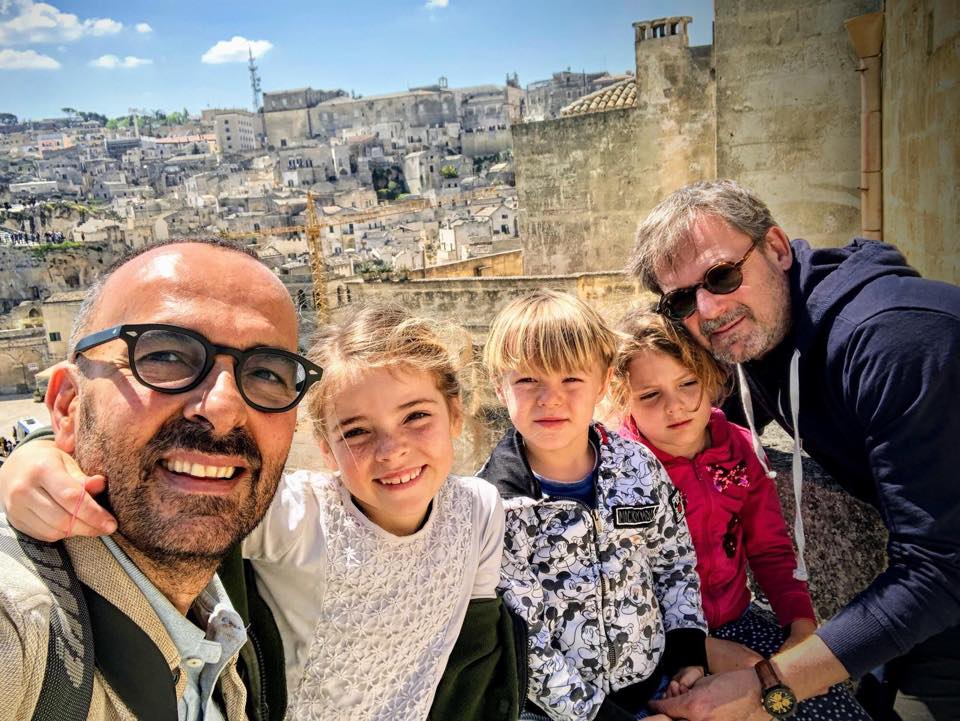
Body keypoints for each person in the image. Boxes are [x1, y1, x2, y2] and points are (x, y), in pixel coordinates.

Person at [1, 303, 518, 721]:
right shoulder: (297, 516)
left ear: (456, 415)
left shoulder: (480, 510)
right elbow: (165, 492)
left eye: (416, 416)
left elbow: (469, 652)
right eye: (357, 431)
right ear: (326, 447)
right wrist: (39, 450)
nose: (392, 450)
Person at [628, 179, 960, 721]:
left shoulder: (895, 342)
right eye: (684, 299)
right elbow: (698, 417)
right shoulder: (760, 333)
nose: (709, 308)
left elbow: (942, 564)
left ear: (777, 248)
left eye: (722, 275)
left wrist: (768, 686)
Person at [0, 238, 319, 721]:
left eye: (268, 374)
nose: (223, 409)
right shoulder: (21, 625)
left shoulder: (229, 634)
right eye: (166, 355)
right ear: (68, 406)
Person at [613, 307, 872, 721]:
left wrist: (801, 627)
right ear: (621, 397)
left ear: (712, 378)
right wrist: (702, 649)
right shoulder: (616, 471)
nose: (674, 406)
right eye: (649, 395)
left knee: (827, 705)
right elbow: (613, 590)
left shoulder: (740, 449)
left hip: (738, 620)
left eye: (687, 383)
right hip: (652, 647)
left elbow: (770, 549)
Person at [477, 289, 707, 721]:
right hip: (555, 712)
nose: (550, 398)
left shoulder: (637, 466)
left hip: (656, 682)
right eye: (528, 380)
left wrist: (688, 654)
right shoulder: (493, 506)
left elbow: (674, 562)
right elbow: (522, 640)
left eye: (571, 379)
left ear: (602, 383)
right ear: (499, 387)